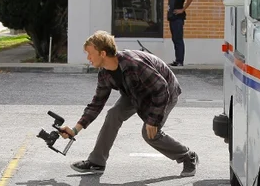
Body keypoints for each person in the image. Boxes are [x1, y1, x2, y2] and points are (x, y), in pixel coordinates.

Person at [59, 31, 199, 177]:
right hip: (135, 91)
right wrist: (74, 130)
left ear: (103, 53)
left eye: (90, 53)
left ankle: (188, 156)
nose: (88, 58)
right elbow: (96, 104)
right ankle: (97, 162)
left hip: (165, 92)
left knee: (150, 134)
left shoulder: (133, 64)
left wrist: (153, 120)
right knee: (114, 114)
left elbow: (161, 89)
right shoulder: (104, 73)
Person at [167, 0, 193, 67]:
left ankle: (180, 61)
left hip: (178, 18)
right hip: (172, 16)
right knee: (174, 39)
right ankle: (177, 59)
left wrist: (182, 9)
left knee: (178, 39)